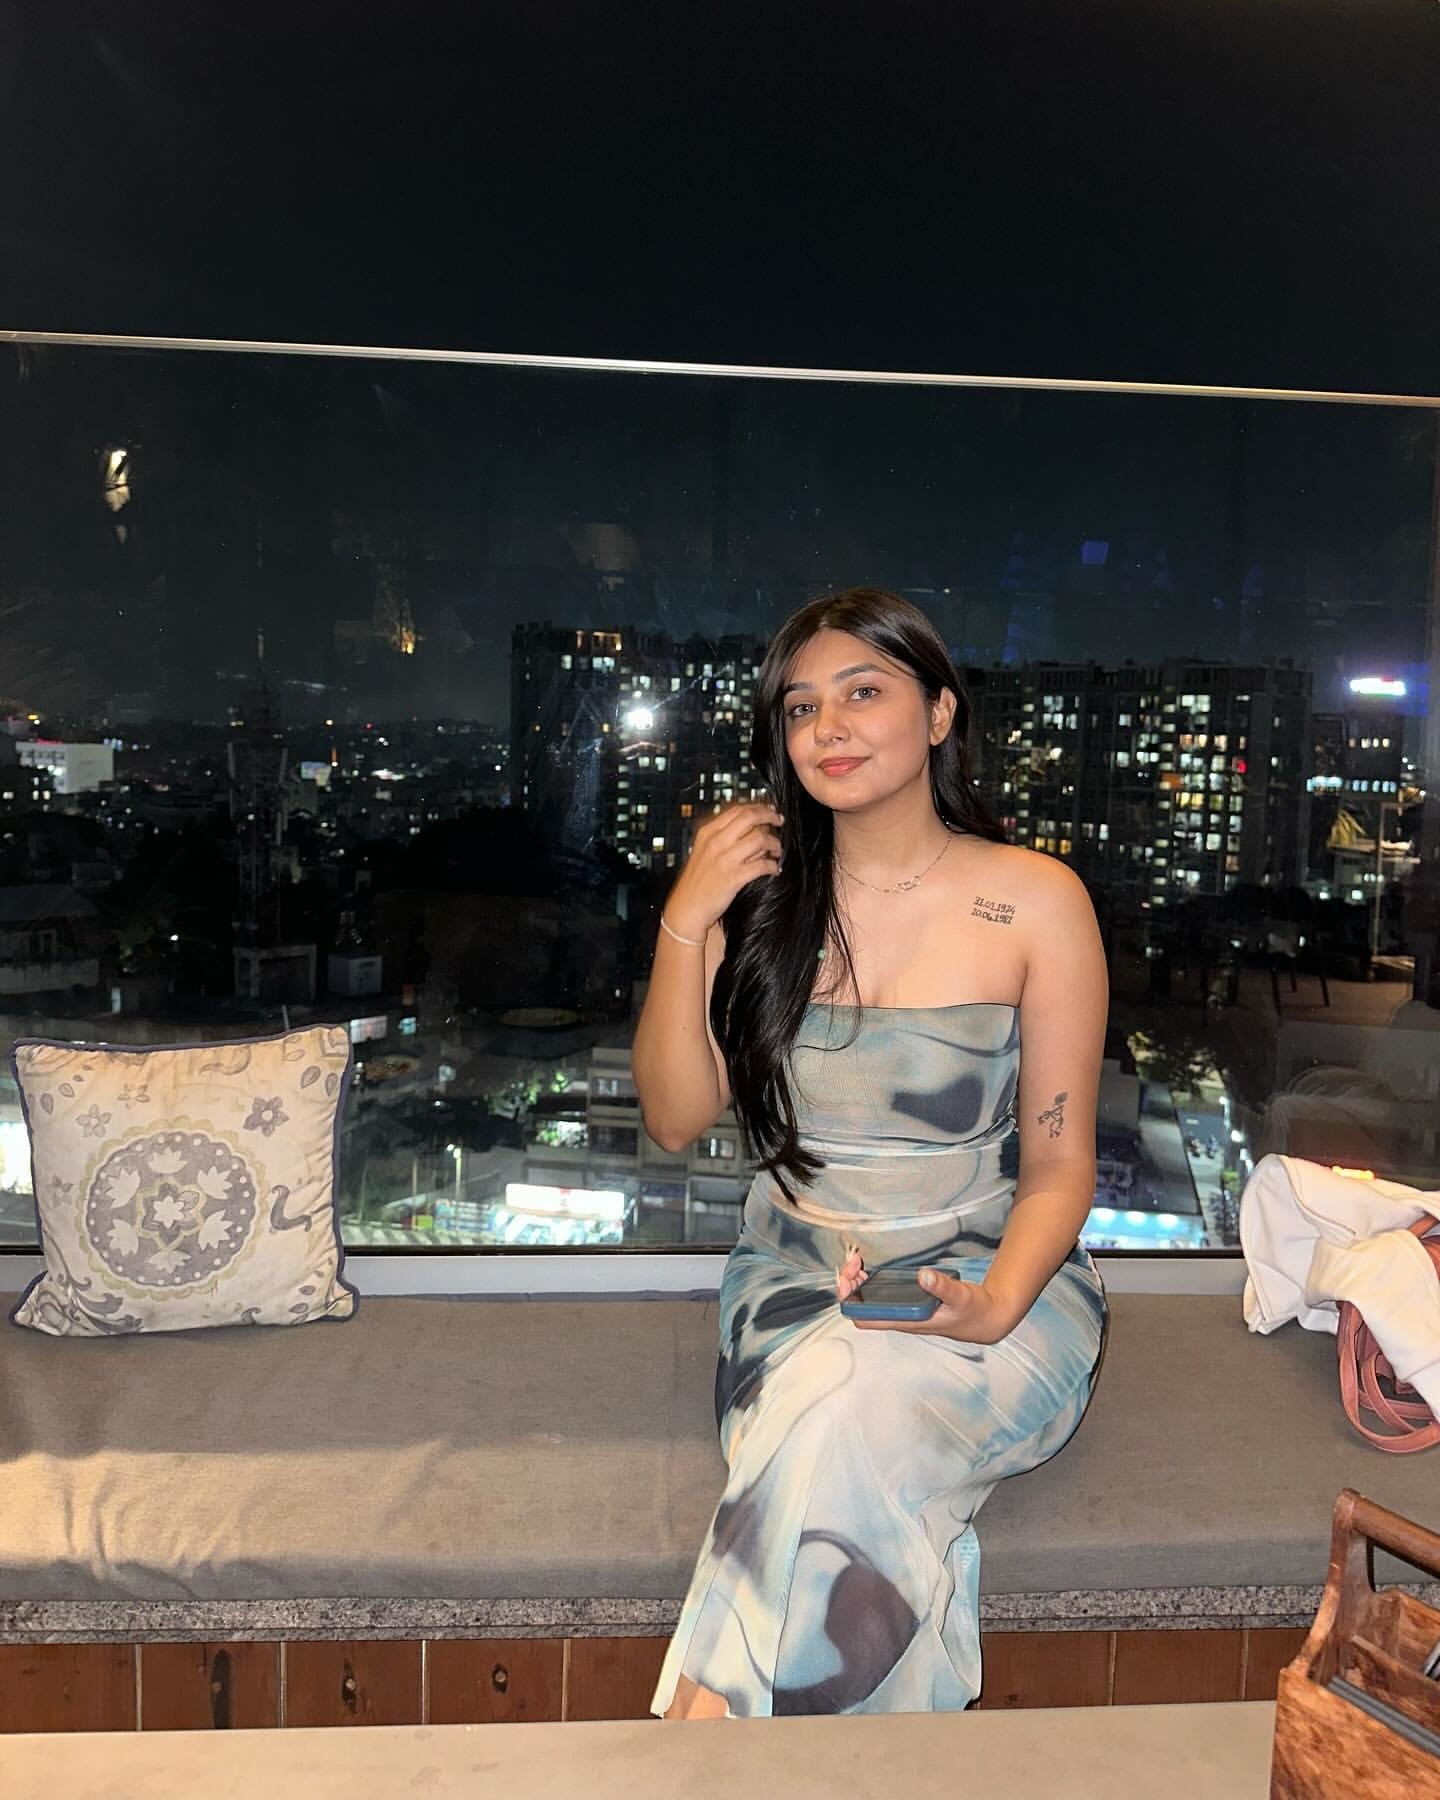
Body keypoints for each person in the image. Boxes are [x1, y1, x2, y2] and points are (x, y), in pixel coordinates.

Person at [631, 587, 1109, 1719]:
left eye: (862, 693)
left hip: (998, 1284)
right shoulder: (759, 905)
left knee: (845, 1413)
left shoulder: (1035, 900)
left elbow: (1059, 1167)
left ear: (939, 714)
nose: (828, 728)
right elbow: (674, 1117)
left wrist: (993, 1304)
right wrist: (687, 917)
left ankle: (701, 1745)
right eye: (802, 707)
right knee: (841, 1396)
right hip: (793, 1291)